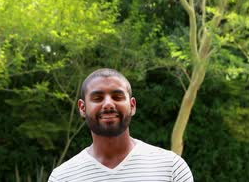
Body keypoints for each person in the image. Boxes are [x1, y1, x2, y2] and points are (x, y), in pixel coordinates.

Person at [49, 68, 193, 182]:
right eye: (97, 98)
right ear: (82, 108)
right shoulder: (62, 177)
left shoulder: (171, 168)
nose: (108, 104)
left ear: (132, 106)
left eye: (117, 97)